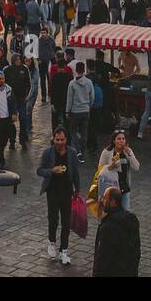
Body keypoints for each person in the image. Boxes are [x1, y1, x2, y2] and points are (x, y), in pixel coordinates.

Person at [37, 127, 80, 265]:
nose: (60, 142)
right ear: (54, 139)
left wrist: (77, 189)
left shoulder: (72, 153)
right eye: (57, 140)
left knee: (66, 222)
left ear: (66, 139)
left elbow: (75, 172)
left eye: (62, 140)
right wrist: (51, 171)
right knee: (53, 219)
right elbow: (39, 170)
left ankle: (63, 251)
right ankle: (51, 242)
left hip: (67, 191)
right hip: (53, 191)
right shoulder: (48, 153)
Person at [92, 186, 140, 276]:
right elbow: (136, 251)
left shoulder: (108, 227)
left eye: (105, 198)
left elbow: (103, 258)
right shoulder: (132, 219)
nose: (102, 200)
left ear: (113, 202)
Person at [97, 130, 141, 211]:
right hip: (111, 187)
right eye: (119, 139)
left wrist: (130, 155)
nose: (121, 141)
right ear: (114, 141)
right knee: (111, 211)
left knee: (126, 211)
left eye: (123, 139)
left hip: (124, 186)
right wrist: (110, 167)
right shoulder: (107, 152)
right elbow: (100, 169)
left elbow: (136, 167)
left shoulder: (128, 151)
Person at [66, 61, 94, 162]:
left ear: (76, 70)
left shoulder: (72, 83)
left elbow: (69, 99)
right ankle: (83, 151)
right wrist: (88, 106)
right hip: (85, 110)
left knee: (73, 131)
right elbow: (92, 97)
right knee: (84, 132)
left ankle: (77, 150)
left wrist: (67, 111)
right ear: (84, 70)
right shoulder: (89, 82)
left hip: (75, 111)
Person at [0, 69, 16, 170]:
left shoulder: (9, 89)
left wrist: (14, 113)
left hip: (7, 119)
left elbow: (13, 102)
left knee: (6, 138)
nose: (1, 81)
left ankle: (2, 151)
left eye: (2, 79)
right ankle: (2, 161)